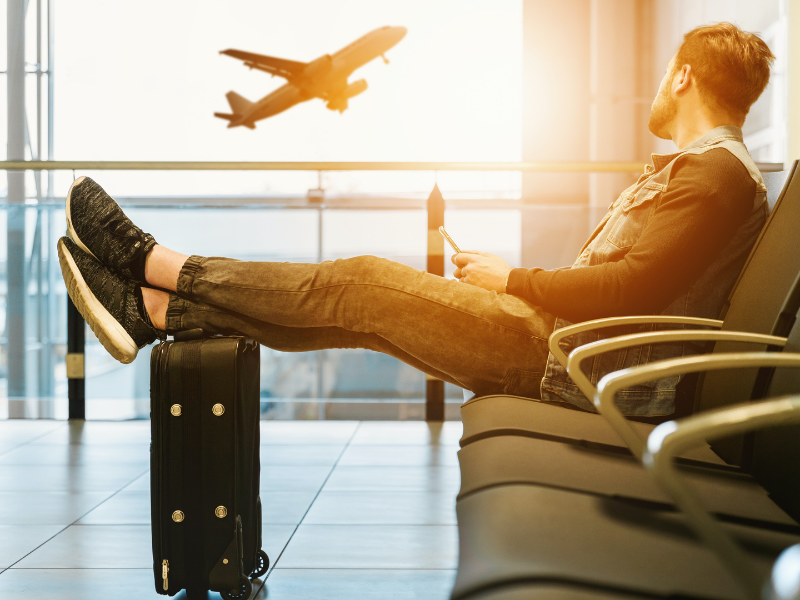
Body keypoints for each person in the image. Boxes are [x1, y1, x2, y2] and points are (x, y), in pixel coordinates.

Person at [58, 22, 775, 417]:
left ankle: (153, 262)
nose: (656, 88)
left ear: (682, 76)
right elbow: (634, 286)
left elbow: (633, 290)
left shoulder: (713, 175)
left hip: (569, 366)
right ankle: (155, 312)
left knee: (360, 282)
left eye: (663, 76)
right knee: (361, 316)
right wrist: (513, 284)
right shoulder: (711, 174)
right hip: (569, 355)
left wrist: (515, 279)